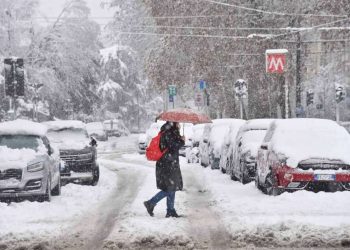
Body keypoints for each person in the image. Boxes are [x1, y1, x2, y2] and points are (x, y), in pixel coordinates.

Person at [144, 121, 185, 218]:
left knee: (172, 188)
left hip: (169, 163)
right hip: (167, 164)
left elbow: (172, 146)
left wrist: (179, 138)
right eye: (177, 123)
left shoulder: (169, 132)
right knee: (170, 189)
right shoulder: (168, 133)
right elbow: (172, 147)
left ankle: (170, 210)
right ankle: (151, 203)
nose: (179, 124)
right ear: (173, 124)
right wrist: (182, 141)